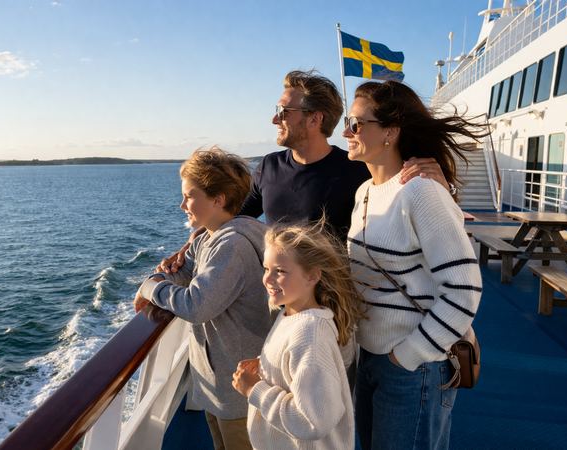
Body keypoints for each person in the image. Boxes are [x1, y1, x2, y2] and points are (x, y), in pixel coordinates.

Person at [160, 69, 449, 272]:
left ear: (314, 119)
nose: (275, 119)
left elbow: (409, 209)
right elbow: (230, 220)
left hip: (339, 312)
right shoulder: (269, 167)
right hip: (282, 299)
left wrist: (444, 186)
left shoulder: (358, 171)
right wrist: (189, 249)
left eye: (283, 112)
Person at [343, 80, 485, 449]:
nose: (346, 132)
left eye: (356, 124)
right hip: (369, 357)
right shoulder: (365, 193)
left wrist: (406, 357)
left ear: (390, 132)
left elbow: (464, 290)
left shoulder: (421, 192)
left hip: (413, 367)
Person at [133, 146, 273, 450]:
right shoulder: (209, 237)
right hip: (218, 383)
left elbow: (197, 305)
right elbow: (184, 273)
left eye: (189, 196)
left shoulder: (232, 246)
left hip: (238, 388)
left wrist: (151, 288)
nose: (182, 204)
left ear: (218, 199)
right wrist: (164, 277)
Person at [231, 222, 363, 449]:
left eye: (280, 271)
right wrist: (266, 367)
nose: (267, 279)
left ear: (312, 276)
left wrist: (255, 390)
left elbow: (313, 420)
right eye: (266, 269)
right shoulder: (290, 315)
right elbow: (297, 368)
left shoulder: (309, 334)